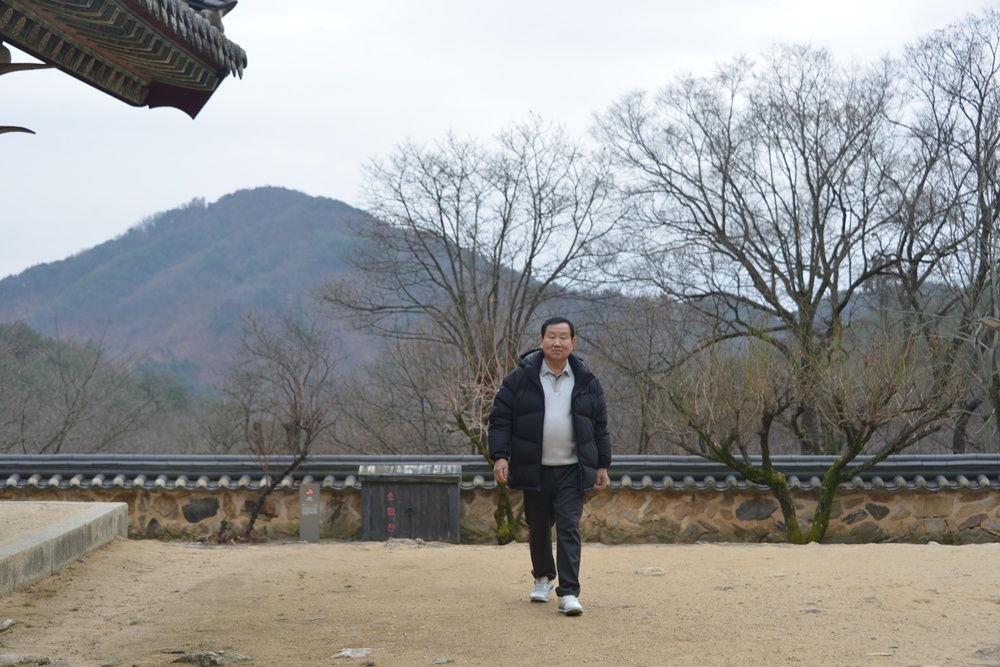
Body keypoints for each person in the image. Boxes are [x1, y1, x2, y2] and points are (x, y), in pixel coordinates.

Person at [488, 316, 612, 616]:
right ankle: (543, 577)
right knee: (539, 525)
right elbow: (500, 420)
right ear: (541, 340)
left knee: (569, 526)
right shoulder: (519, 379)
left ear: (573, 342)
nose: (557, 342)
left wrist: (602, 465)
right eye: (551, 336)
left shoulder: (587, 381)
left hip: (573, 468)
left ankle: (568, 592)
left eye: (563, 337)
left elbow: (600, 427)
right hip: (535, 467)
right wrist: (501, 456)